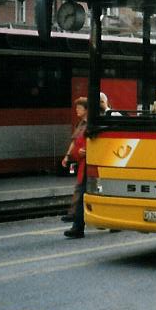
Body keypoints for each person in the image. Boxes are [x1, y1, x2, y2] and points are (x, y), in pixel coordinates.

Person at [63, 97, 88, 239]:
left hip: (90, 165)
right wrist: (68, 155)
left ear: (86, 109)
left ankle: (77, 226)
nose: (76, 110)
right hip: (83, 164)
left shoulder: (91, 124)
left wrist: (87, 151)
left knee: (82, 193)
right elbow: (75, 141)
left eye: (79, 108)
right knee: (81, 192)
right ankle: (77, 224)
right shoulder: (80, 124)